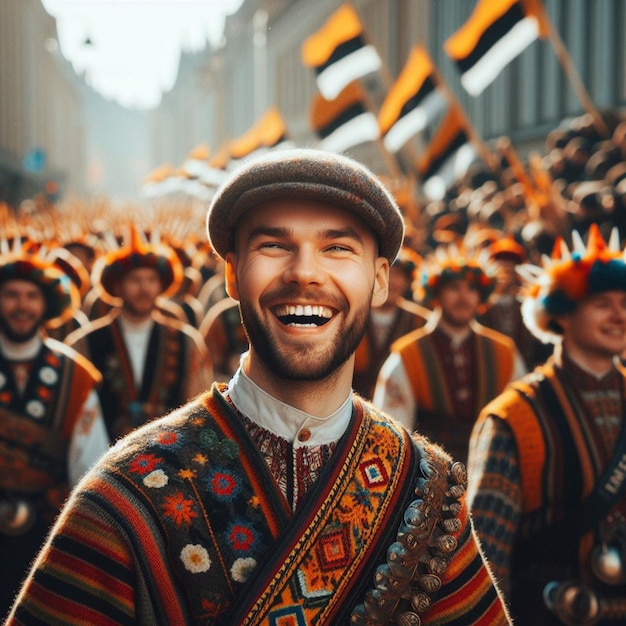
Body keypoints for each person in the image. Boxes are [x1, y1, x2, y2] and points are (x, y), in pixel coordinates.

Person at [5, 149, 511, 625]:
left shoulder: (429, 489)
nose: (305, 272)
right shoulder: (124, 495)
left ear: (380, 279)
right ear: (231, 274)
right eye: (273, 245)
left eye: (337, 247)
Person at [466, 223, 626, 625]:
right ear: (562, 313)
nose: (620, 314)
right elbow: (487, 558)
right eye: (602, 303)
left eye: (625, 301)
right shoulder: (513, 418)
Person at [0, 240, 109, 618]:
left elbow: (90, 467)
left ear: (46, 304)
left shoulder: (75, 376)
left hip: (48, 537)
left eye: (31, 295)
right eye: (11, 294)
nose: (21, 305)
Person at [373, 246, 526, 463]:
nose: (463, 297)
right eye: (454, 287)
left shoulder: (504, 352)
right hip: (426, 475)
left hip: (491, 468)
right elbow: (392, 433)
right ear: (436, 294)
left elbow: (519, 422)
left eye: (472, 289)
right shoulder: (407, 355)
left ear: (481, 297)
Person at [65, 225, 213, 441]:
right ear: (117, 287)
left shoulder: (187, 341)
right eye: (135, 281)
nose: (144, 289)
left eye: (151, 281)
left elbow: (199, 406)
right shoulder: (83, 343)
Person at [352, 245, 430, 399]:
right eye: (387, 274)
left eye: (399, 275)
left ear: (408, 282)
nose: (391, 282)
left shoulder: (421, 321)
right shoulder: (352, 314)